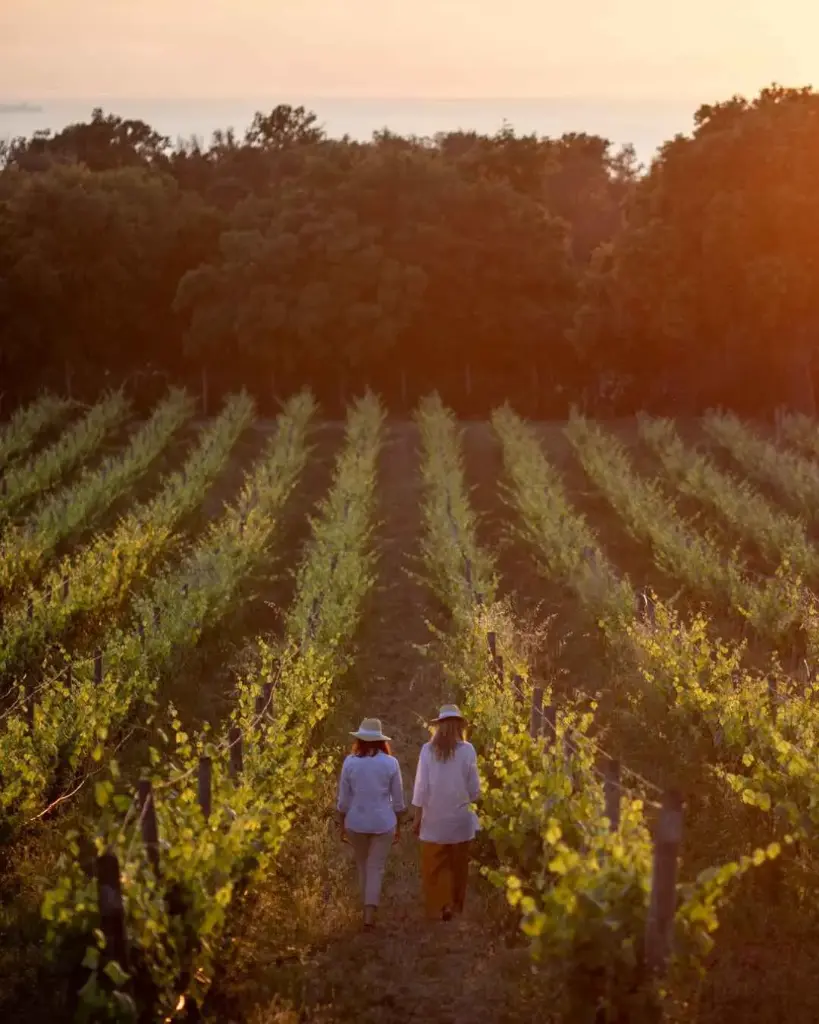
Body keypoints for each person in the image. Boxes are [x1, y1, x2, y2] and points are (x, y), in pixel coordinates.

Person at [411, 704, 481, 921]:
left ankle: (442, 904)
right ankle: (455, 904)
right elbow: (475, 789)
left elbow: (421, 787)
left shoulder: (427, 750)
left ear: (439, 726)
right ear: (460, 726)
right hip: (460, 818)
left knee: (435, 864)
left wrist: (417, 817)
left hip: (434, 818)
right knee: (458, 865)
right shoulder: (468, 750)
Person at [337, 717, 406, 930]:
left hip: (356, 821)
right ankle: (369, 914)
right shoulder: (391, 763)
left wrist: (342, 824)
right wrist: (399, 826)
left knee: (362, 865)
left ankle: (365, 911)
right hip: (383, 822)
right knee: (376, 867)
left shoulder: (349, 762)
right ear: (380, 740)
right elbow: (399, 802)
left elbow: (343, 801)